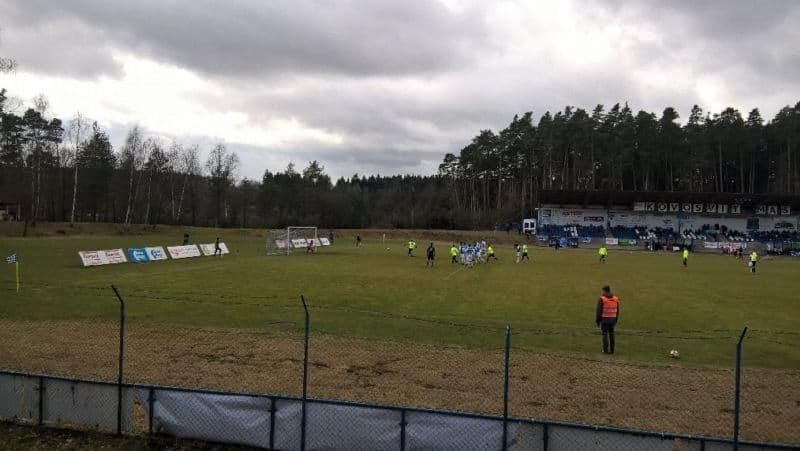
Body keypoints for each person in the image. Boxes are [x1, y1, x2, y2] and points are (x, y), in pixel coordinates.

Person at [595, 285, 620, 354]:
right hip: (613, 320)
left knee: (604, 334)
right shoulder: (615, 298)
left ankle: (605, 350)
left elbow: (599, 310)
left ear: (604, 290)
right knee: (612, 335)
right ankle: (612, 350)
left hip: (605, 319)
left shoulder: (602, 299)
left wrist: (597, 320)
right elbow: (618, 310)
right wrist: (616, 319)